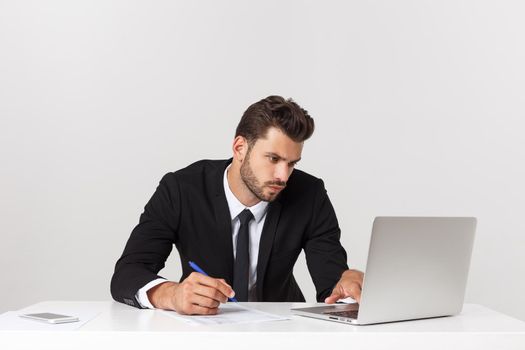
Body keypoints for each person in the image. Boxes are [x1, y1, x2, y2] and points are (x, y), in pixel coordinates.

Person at [110, 95, 364, 315]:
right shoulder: (181, 190)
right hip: (203, 329)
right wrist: (172, 295)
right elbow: (127, 274)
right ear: (240, 147)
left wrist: (346, 287)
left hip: (283, 333)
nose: (283, 176)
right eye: (273, 158)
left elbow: (331, 284)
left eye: (292, 163)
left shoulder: (310, 194)